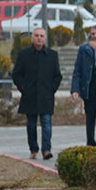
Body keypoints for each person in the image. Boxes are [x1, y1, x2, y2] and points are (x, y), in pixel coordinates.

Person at [11, 27, 61, 160]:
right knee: (31, 125)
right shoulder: (24, 54)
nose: (39, 38)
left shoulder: (52, 55)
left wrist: (51, 89)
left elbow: (57, 76)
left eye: (42, 36)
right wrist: (23, 88)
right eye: (37, 35)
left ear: (45, 39)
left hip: (46, 96)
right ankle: (33, 149)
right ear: (32, 38)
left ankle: (46, 150)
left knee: (46, 123)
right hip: (30, 96)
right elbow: (16, 74)